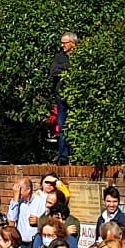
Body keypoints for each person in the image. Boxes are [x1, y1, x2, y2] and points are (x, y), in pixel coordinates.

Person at [47, 33, 77, 164]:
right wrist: (68, 68)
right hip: (62, 96)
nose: (62, 45)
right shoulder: (59, 57)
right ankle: (63, 156)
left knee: (76, 124)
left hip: (77, 96)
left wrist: (64, 69)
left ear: (72, 43)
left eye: (64, 43)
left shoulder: (80, 55)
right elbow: (53, 71)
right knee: (62, 124)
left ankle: (77, 154)